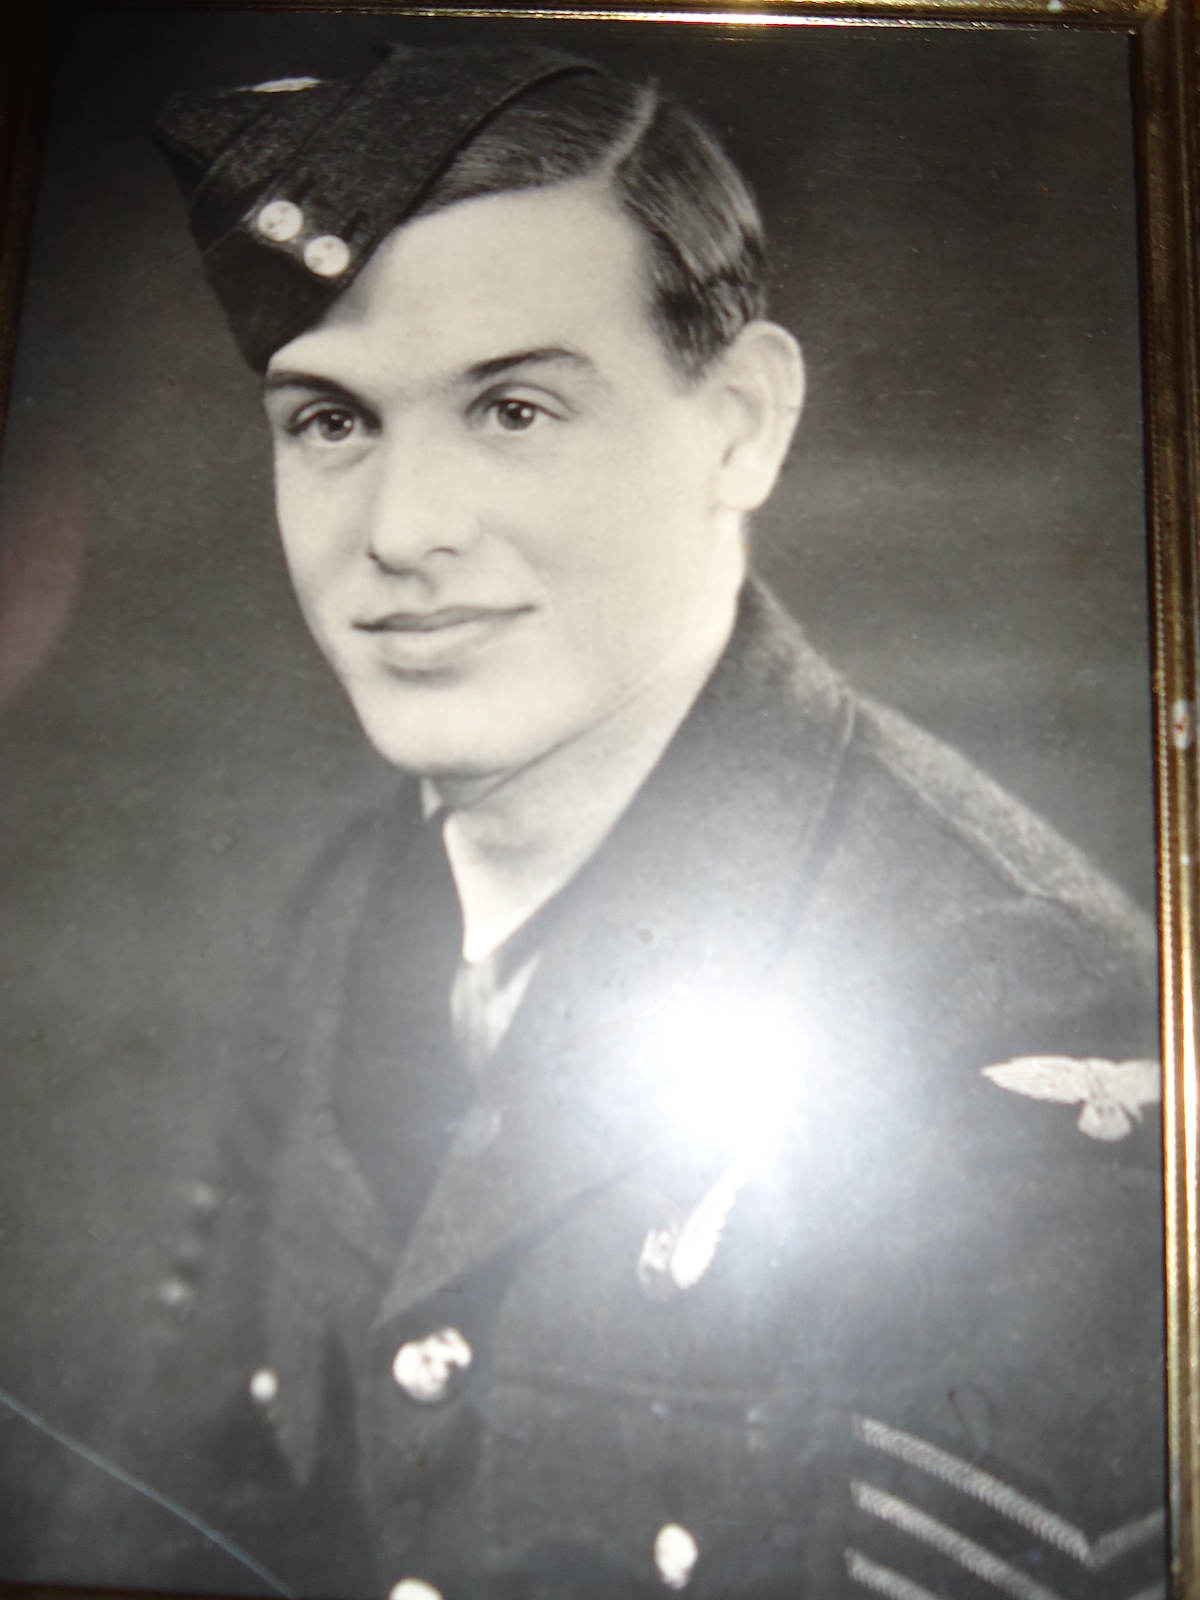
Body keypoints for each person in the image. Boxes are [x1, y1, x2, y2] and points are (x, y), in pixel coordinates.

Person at [1, 40, 1165, 1600]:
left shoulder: (1015, 1009)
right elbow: (167, 1516)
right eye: (332, 424)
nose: (401, 535)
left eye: (517, 411)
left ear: (742, 423)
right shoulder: (353, 908)